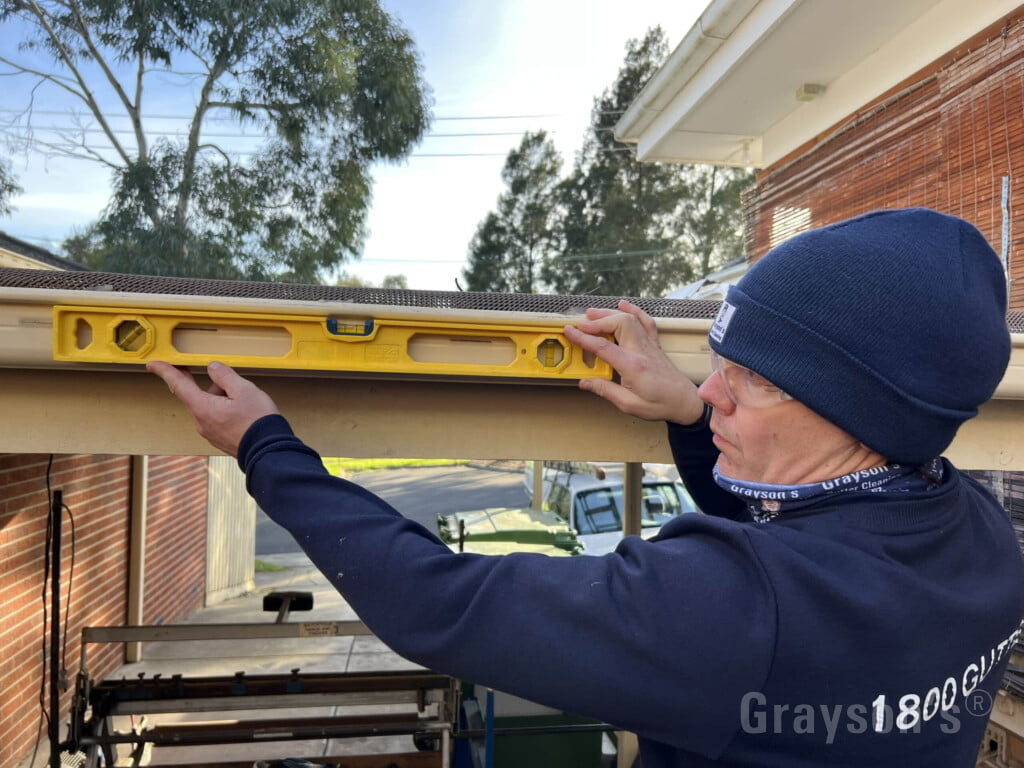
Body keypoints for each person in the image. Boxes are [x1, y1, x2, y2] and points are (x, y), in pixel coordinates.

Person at [150, 207, 1024, 767]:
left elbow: (442, 604)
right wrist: (691, 414)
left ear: (853, 411)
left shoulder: (726, 614)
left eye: (748, 379)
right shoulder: (980, 540)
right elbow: (810, 567)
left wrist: (266, 448)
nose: (712, 388)